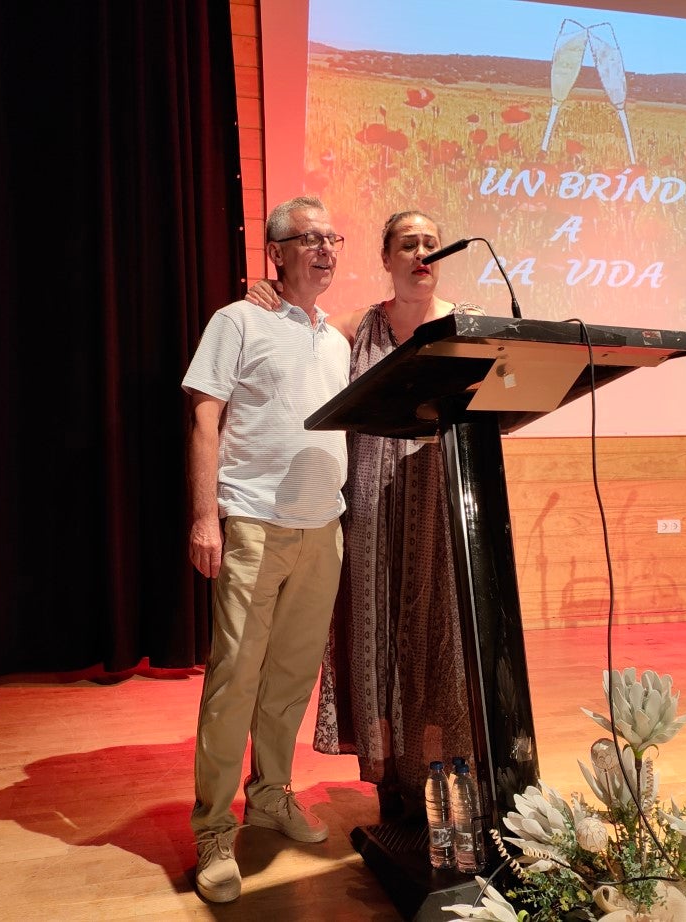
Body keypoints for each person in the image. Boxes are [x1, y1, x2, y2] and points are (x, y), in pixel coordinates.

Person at [246, 210, 482, 820]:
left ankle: (438, 775)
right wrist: (265, 295)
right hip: (371, 512)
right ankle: (388, 781)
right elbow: (301, 328)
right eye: (409, 244)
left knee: (438, 633)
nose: (423, 254)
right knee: (373, 635)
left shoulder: (465, 327)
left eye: (431, 244)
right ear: (387, 259)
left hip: (437, 506)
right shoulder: (356, 328)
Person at [182, 195, 351, 904]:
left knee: (289, 680)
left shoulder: (336, 339)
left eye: (330, 238)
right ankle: (213, 830)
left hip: (323, 529)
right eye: (307, 239)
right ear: (274, 252)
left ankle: (272, 794)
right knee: (234, 682)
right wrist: (205, 517)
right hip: (251, 522)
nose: (323, 249)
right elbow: (204, 415)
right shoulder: (238, 319)